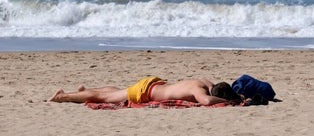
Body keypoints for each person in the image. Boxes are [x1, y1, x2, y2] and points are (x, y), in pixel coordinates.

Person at [48, 76, 243, 106]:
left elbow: (210, 93)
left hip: (152, 83)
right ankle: (62, 96)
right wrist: (230, 102)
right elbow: (207, 102)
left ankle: (85, 90)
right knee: (106, 97)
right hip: (145, 93)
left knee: (118, 91)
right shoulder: (202, 94)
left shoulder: (203, 81)